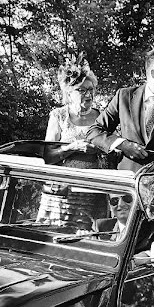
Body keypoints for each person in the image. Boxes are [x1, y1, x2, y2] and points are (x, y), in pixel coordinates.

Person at [37, 54, 108, 227]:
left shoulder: (101, 116)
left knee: (89, 239)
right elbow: (46, 156)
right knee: (56, 236)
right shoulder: (59, 116)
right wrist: (73, 147)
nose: (88, 95)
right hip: (62, 193)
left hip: (92, 191)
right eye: (82, 90)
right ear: (69, 93)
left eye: (91, 90)